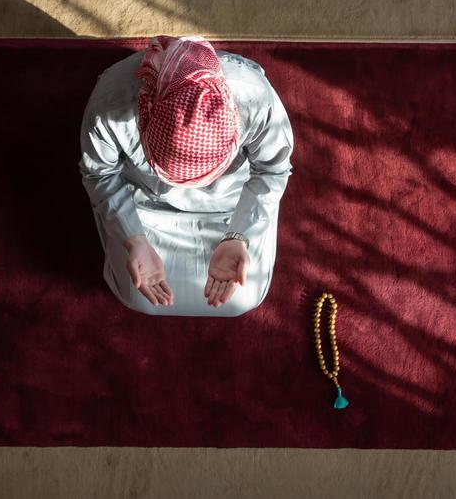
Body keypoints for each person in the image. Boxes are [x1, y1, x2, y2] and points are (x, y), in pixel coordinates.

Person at [79, 37, 294, 317]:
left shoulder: (254, 98)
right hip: (147, 200)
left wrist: (239, 235)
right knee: (138, 294)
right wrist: (134, 239)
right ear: (145, 120)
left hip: (229, 204)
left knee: (242, 298)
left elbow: (272, 169)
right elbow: (100, 173)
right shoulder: (109, 106)